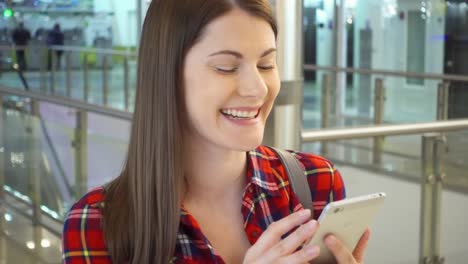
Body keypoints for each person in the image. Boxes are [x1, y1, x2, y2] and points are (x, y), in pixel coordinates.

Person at [62, 0, 371, 263]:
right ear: (166, 75)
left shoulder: (315, 182)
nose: (257, 88)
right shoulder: (97, 225)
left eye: (266, 64)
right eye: (226, 67)